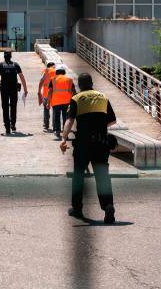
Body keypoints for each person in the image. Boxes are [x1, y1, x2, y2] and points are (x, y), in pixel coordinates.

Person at [60, 73, 117, 224]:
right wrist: (98, 125)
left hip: (83, 144)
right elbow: (112, 121)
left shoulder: (77, 98)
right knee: (102, 176)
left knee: (78, 176)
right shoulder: (103, 97)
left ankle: (77, 209)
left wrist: (64, 139)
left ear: (79, 85)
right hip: (101, 143)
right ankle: (108, 206)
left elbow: (69, 121)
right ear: (92, 83)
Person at [0, 51, 28, 135]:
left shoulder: (0, 65)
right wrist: (25, 89)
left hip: (4, 89)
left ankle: (7, 128)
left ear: (4, 57)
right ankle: (13, 124)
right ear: (11, 57)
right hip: (13, 89)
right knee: (13, 106)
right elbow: (22, 77)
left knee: (5, 107)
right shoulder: (16, 65)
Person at [47, 65, 76, 139]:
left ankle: (57, 131)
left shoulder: (53, 79)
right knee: (66, 118)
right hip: (67, 102)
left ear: (56, 72)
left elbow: (50, 91)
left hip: (56, 102)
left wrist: (48, 102)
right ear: (64, 72)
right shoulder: (69, 79)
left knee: (56, 116)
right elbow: (74, 91)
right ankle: (65, 132)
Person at [37, 61, 56, 131]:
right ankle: (55, 126)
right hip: (55, 93)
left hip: (46, 93)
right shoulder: (56, 71)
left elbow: (41, 80)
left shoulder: (45, 71)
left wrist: (39, 91)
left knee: (46, 109)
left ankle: (46, 125)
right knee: (55, 109)